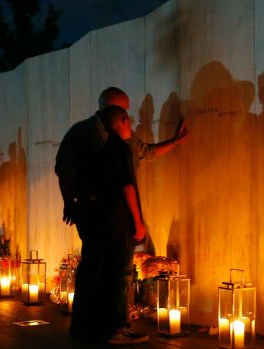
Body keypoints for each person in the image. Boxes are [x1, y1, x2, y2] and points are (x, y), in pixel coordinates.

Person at [55, 87, 188, 343]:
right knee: (113, 270)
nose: (131, 116)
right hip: (106, 213)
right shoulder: (90, 135)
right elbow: (122, 182)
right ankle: (112, 327)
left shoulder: (121, 140)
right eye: (126, 111)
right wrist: (69, 202)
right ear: (114, 112)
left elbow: (145, 151)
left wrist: (173, 142)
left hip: (100, 211)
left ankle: (90, 327)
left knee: (98, 269)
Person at [96, 105, 146, 344]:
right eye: (130, 122)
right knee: (121, 274)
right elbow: (127, 186)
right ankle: (118, 329)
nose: (132, 127)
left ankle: (109, 327)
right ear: (124, 120)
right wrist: (138, 221)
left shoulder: (104, 150)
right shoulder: (122, 150)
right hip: (121, 220)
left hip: (106, 219)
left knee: (111, 273)